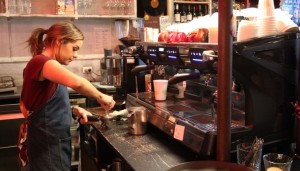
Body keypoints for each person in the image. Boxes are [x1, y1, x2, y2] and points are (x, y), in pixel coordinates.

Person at [20, 21, 116, 171]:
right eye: (74, 48)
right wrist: (101, 96)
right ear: (59, 42)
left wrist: (73, 110)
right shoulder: (43, 62)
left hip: (53, 143)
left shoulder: (46, 66)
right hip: (47, 147)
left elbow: (41, 105)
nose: (76, 55)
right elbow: (77, 83)